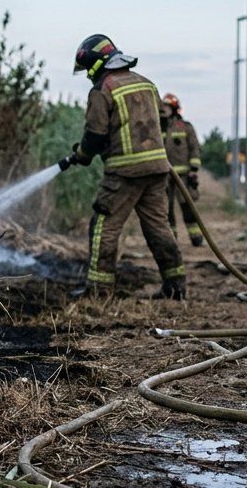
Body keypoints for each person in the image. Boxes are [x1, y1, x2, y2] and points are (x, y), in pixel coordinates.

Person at [64, 34, 186, 300]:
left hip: (123, 173)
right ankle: (175, 285)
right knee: (158, 227)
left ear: (97, 64)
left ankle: (98, 291)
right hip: (157, 170)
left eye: (87, 70)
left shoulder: (103, 89)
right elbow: (163, 122)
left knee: (103, 227)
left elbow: (95, 136)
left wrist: (82, 155)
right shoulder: (147, 84)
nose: (87, 76)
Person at [160, 93, 205, 247]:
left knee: (188, 208)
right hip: (164, 175)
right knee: (167, 209)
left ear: (174, 109)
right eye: (162, 107)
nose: (164, 110)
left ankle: (196, 238)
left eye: (167, 107)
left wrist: (193, 169)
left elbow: (194, 148)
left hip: (184, 176)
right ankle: (171, 240)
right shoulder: (158, 127)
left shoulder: (185, 127)